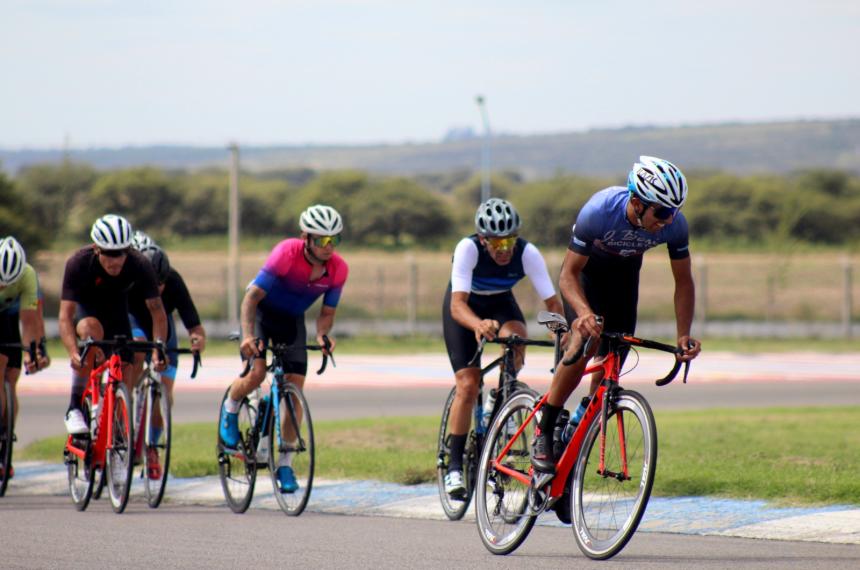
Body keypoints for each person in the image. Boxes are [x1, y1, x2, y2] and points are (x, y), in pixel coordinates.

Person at [531, 156, 702, 473]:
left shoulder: (675, 225)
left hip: (624, 277)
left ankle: (579, 428)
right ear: (637, 202)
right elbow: (568, 275)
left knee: (616, 357)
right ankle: (546, 425)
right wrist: (583, 314)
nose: (668, 220)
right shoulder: (600, 211)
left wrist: (683, 334)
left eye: (674, 211)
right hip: (587, 275)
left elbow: (684, 281)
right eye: (662, 212)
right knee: (586, 342)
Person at [219, 204, 348, 493]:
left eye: (335, 240)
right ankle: (230, 407)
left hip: (292, 322)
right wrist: (248, 336)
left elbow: (326, 313)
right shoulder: (286, 253)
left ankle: (286, 464)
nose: (329, 247)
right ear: (306, 237)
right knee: (257, 373)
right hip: (262, 315)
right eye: (322, 240)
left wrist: (324, 335)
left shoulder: (339, 269)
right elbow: (251, 298)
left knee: (295, 389)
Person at [442, 198, 564, 498]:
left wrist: (559, 330)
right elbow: (457, 305)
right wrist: (476, 325)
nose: (504, 249)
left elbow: (552, 304)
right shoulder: (467, 249)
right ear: (483, 240)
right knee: (468, 385)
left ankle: (502, 397)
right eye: (496, 242)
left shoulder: (527, 253)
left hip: (500, 302)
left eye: (509, 240)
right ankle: (454, 466)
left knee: (517, 339)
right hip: (466, 307)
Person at [59, 214, 167, 435]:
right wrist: (72, 351)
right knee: (91, 331)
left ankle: (116, 435)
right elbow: (65, 316)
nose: (115, 260)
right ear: (96, 248)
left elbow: (157, 311)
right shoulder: (78, 263)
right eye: (109, 254)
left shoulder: (139, 263)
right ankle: (74, 407)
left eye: (121, 253)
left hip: (117, 314)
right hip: (86, 312)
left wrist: (158, 348)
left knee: (125, 369)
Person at [128, 240, 206, 479]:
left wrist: (197, 339)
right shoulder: (129, 280)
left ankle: (153, 447)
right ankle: (123, 409)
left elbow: (194, 323)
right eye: (154, 283)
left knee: (166, 394)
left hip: (164, 327)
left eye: (162, 282)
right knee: (138, 348)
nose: (159, 288)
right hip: (135, 321)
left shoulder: (174, 281)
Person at [0, 237, 50, 479]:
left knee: (12, 378)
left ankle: (6, 438)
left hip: (9, 314)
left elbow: (29, 321)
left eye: (7, 283)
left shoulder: (27, 275)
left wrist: (33, 351)